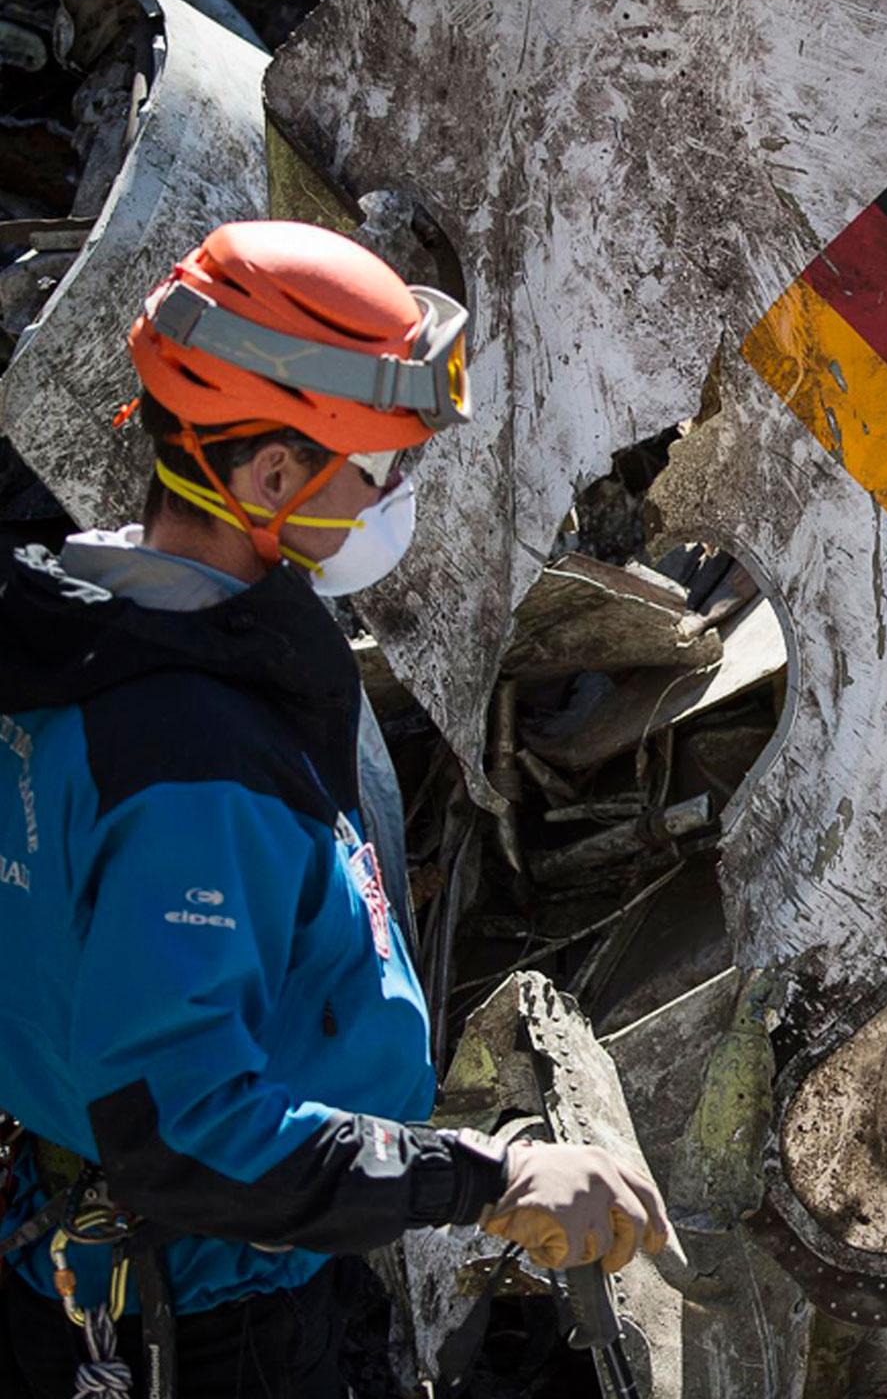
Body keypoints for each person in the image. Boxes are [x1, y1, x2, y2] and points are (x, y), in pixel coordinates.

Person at [0, 221, 667, 1399]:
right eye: (374, 469)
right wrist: (492, 1179)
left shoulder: (110, 624)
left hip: (212, 1261)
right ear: (267, 478)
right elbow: (186, 1131)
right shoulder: (184, 762)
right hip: (215, 1326)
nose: (394, 494)